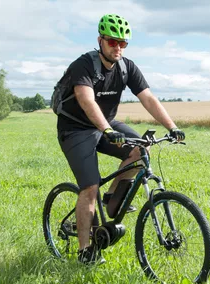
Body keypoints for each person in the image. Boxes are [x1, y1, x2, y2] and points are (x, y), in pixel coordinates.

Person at [57, 13, 185, 265]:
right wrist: (106, 130)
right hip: (76, 129)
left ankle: (112, 200)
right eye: (112, 42)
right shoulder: (83, 65)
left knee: (141, 151)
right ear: (100, 41)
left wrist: (172, 127)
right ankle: (85, 251)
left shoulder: (127, 67)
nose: (118, 47)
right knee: (89, 187)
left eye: (123, 43)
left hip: (107, 124)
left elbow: (148, 98)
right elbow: (86, 100)